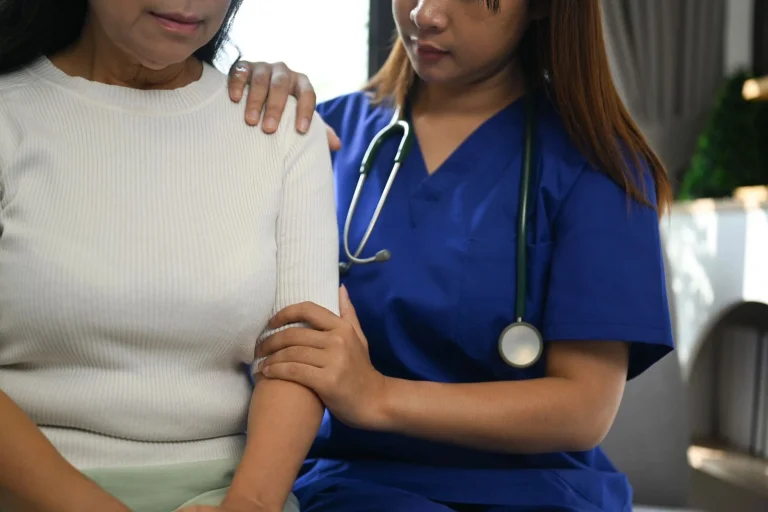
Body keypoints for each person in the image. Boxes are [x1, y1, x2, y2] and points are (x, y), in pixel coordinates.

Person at [228, 1, 675, 511]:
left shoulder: (598, 164)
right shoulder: (319, 135)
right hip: (351, 484)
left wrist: (375, 396)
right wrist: (237, 102)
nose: (426, 14)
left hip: (537, 492)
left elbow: (582, 408)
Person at [0, 1, 338, 511]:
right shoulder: (11, 114)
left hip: (232, 491)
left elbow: (300, 356)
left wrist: (247, 505)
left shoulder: (282, 127)